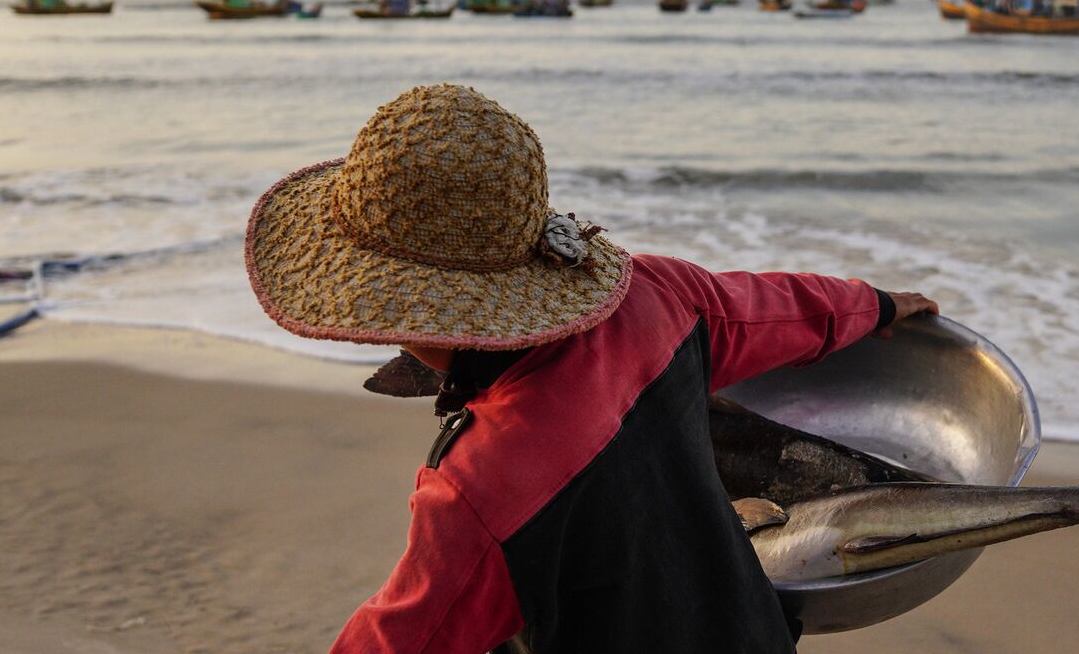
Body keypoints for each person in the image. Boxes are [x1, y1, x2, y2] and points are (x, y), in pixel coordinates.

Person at [244, 84, 938, 653]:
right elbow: (779, 310)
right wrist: (876, 304)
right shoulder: (661, 295)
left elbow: (407, 637)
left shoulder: (483, 485)